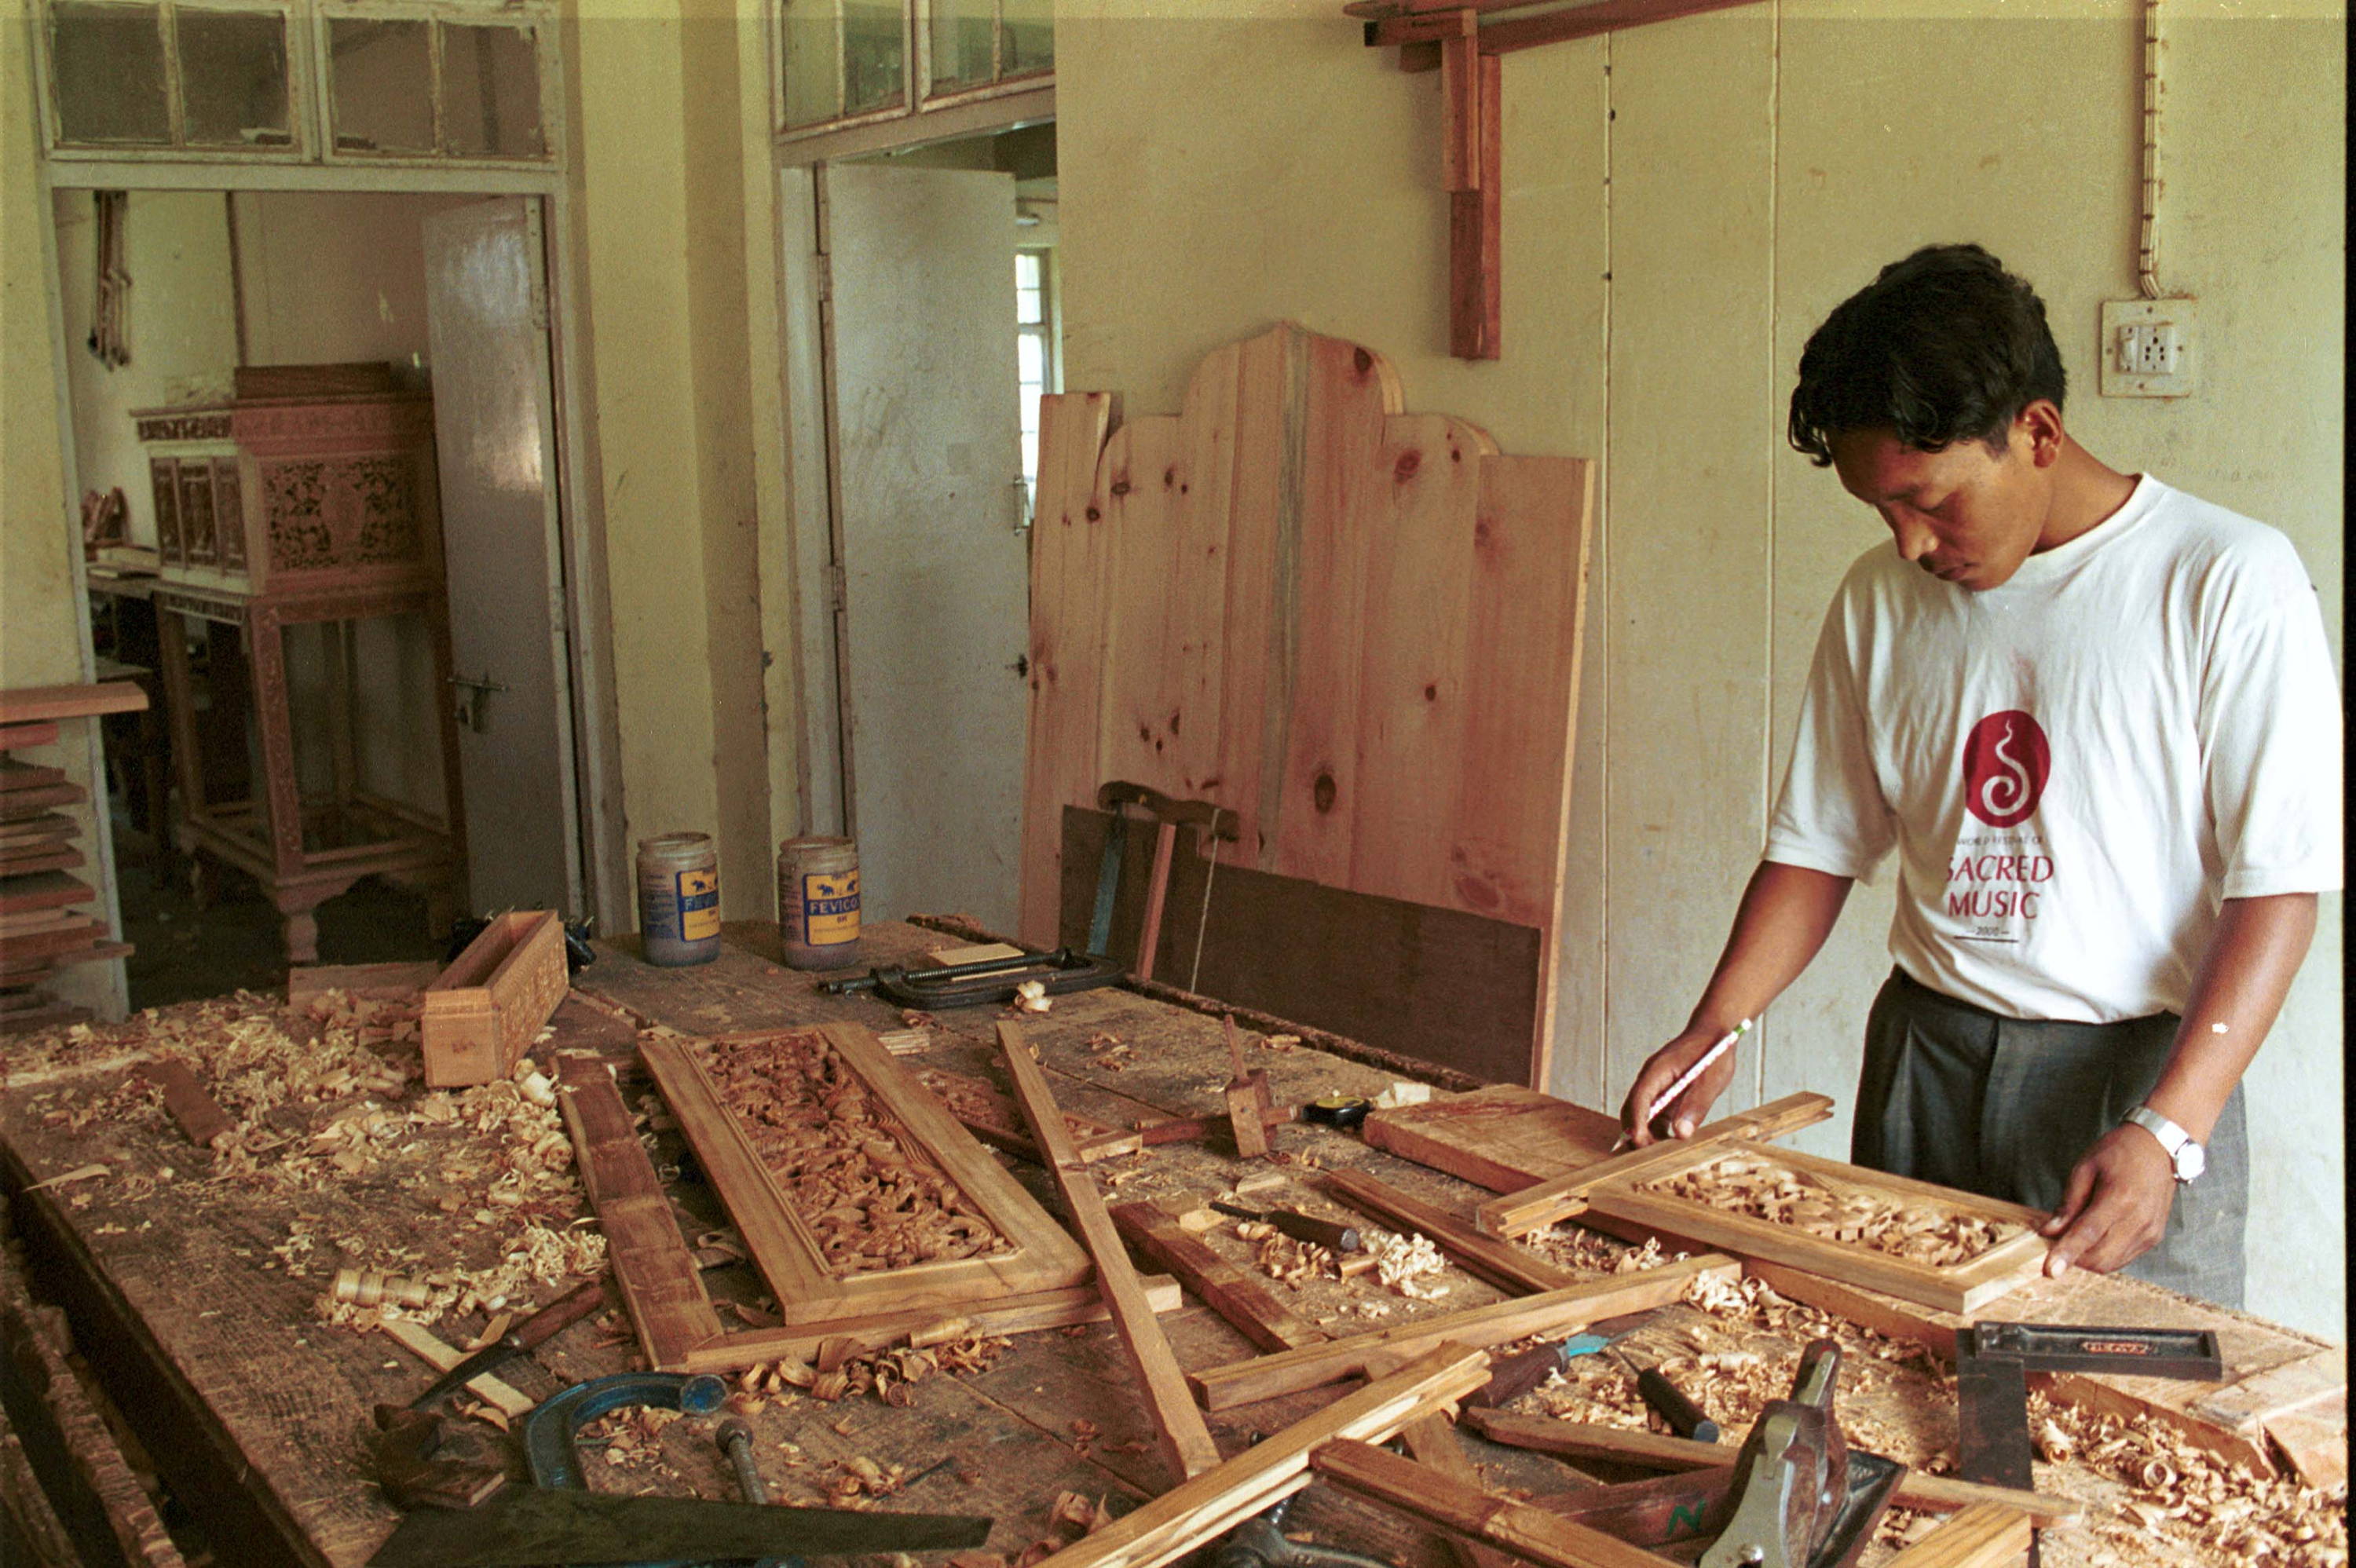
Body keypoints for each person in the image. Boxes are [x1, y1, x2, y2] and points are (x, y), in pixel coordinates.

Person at [1618, 243, 2341, 1308]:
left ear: (2038, 432)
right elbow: (1818, 846)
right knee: (1885, 1374)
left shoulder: (2226, 580)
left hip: (2134, 1076)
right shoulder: (1879, 602)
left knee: (2125, 1431)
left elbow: (2278, 883)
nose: (1911, 544)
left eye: (1933, 501)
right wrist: (1714, 1025)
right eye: (1882, 512)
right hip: (1927, 1055)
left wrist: (2171, 1126)